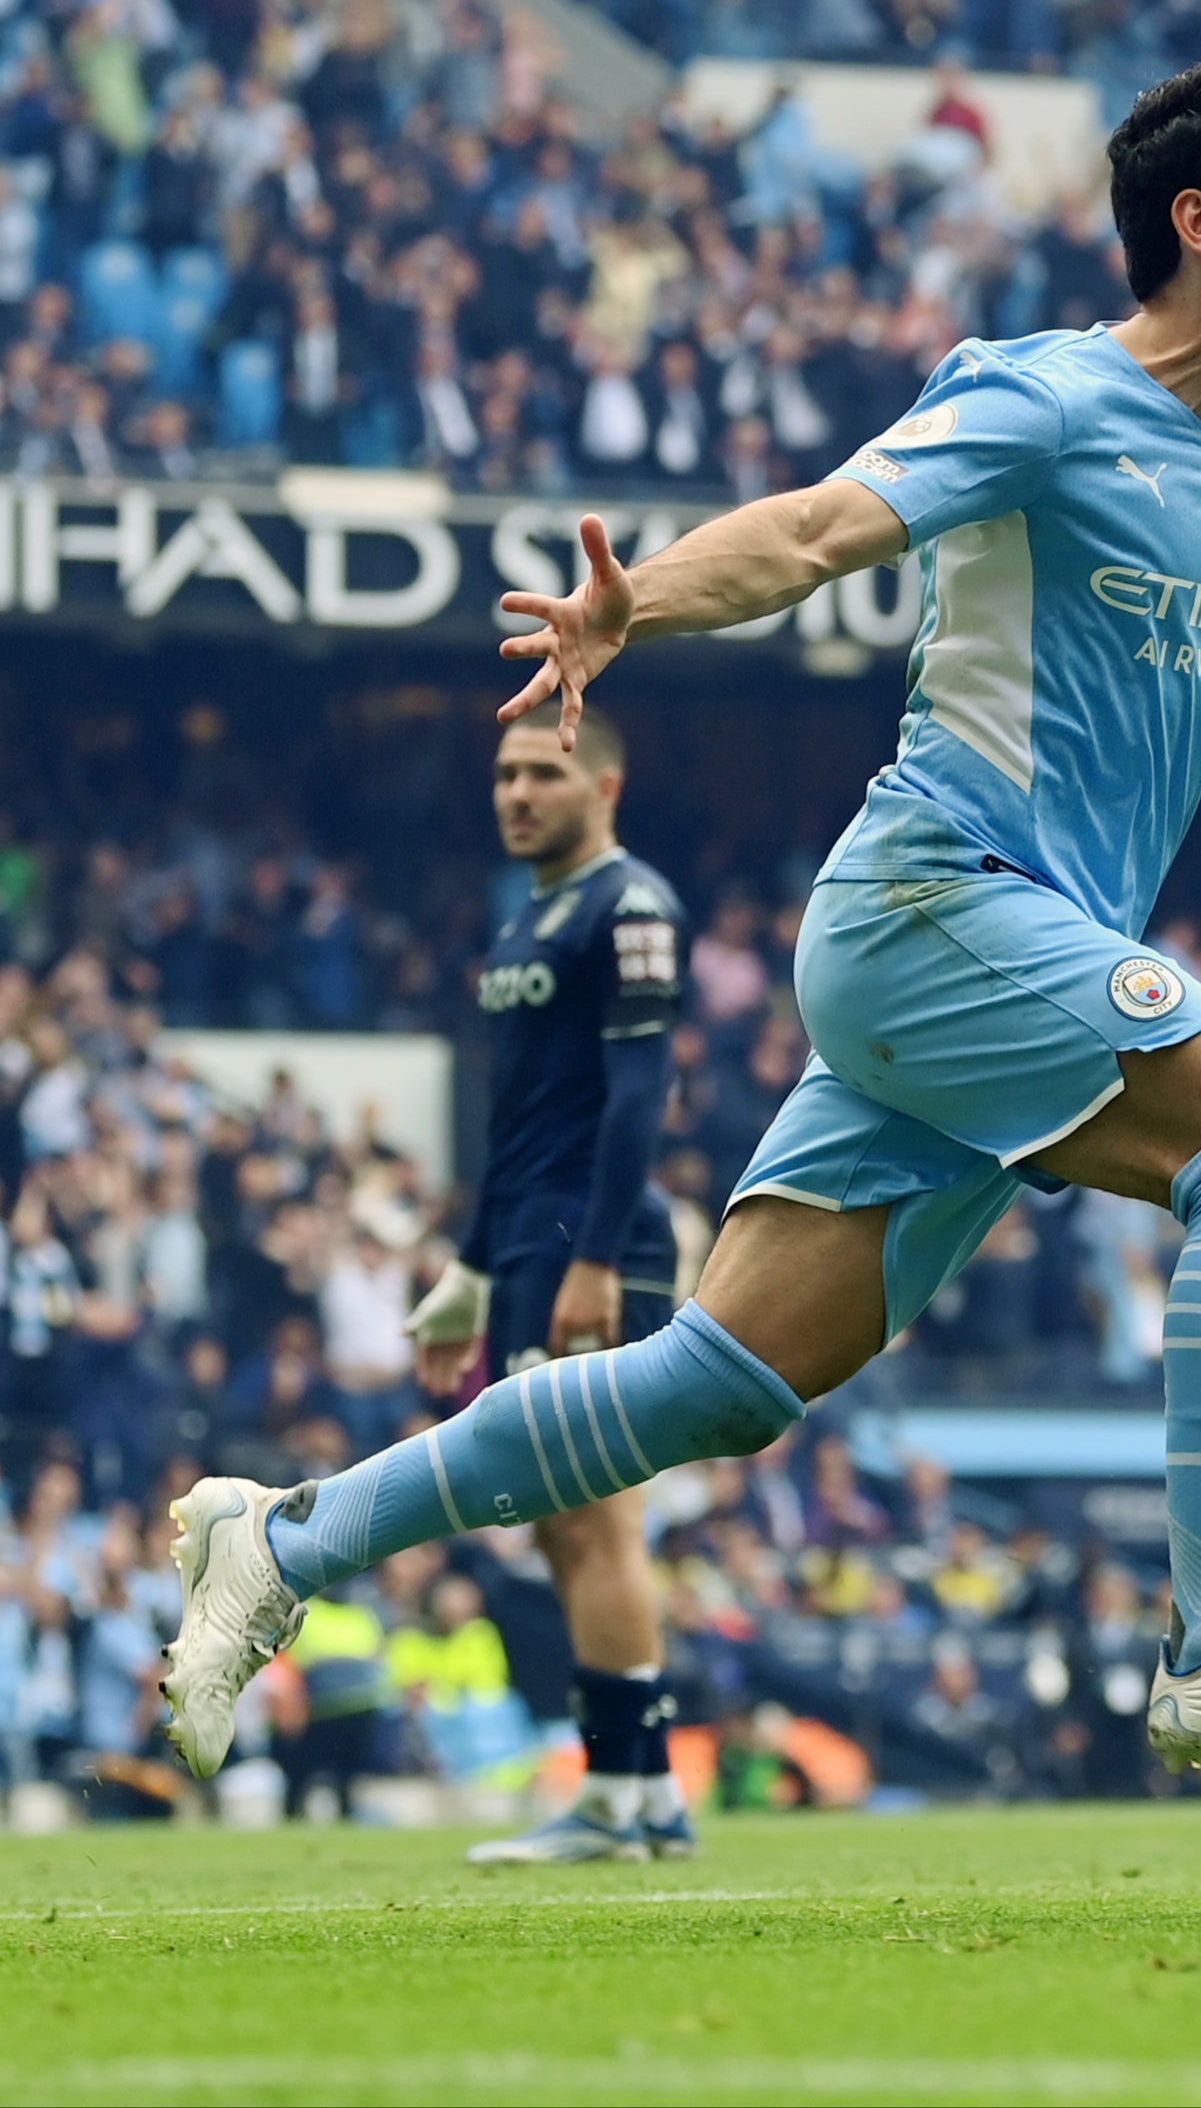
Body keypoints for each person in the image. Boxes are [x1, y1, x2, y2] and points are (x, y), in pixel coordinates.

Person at [161, 36, 1201, 1786]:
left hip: (1012, 971)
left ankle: (282, 1537)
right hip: (936, 899)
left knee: (714, 1385)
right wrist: (643, 608)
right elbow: (817, 530)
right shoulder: (1044, 396)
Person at [393, 709, 698, 1864]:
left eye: (544, 772)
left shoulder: (633, 906)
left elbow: (639, 1096)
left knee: (594, 1514)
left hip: (589, 1233)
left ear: (605, 786)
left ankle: (619, 1799)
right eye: (506, 774)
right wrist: (471, 1267)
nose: (517, 791)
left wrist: (598, 1257)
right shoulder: (527, 918)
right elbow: (514, 1123)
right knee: (564, 1527)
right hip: (526, 1235)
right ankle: (644, 1793)